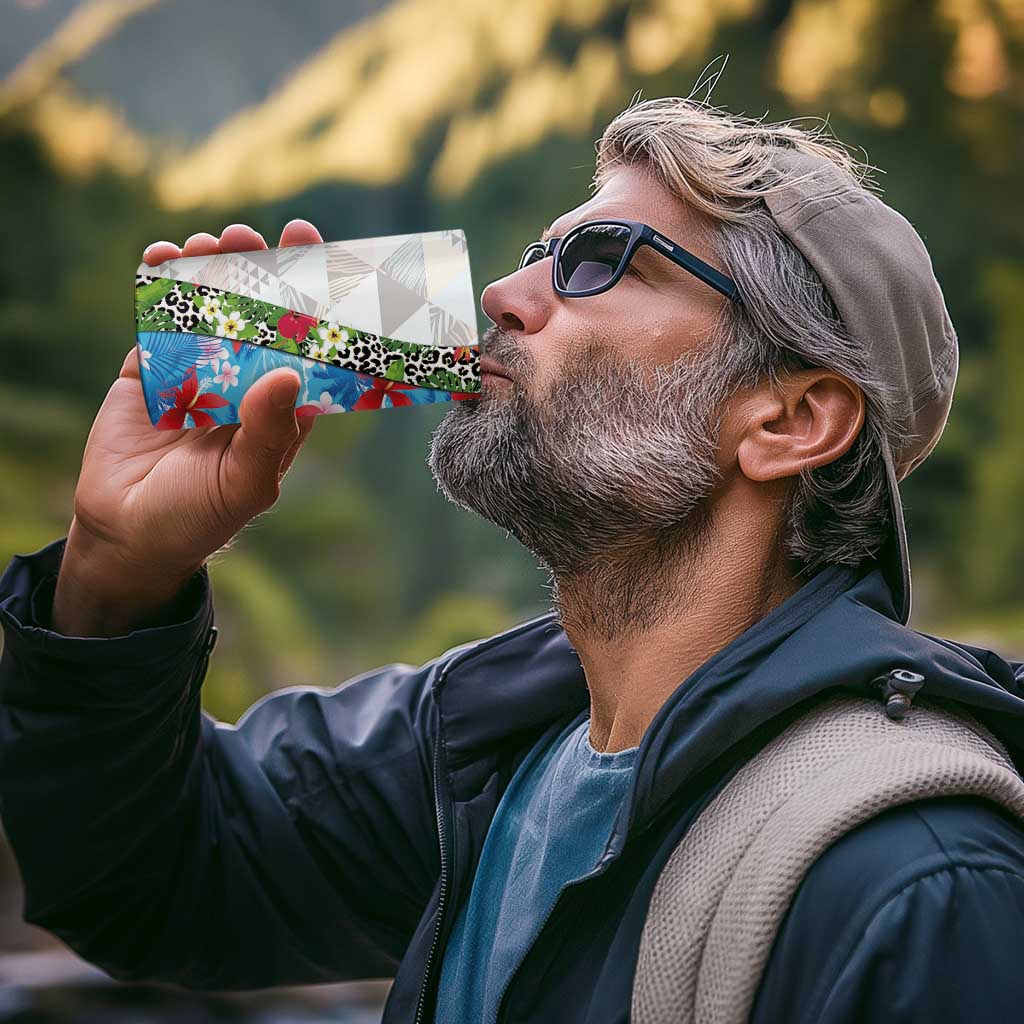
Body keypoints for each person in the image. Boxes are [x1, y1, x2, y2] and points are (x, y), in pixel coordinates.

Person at [2, 95, 1024, 1024]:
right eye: (540, 252)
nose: (502, 291)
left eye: (599, 261)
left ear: (791, 419)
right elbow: (149, 880)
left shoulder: (918, 883)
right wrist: (116, 570)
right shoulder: (480, 748)